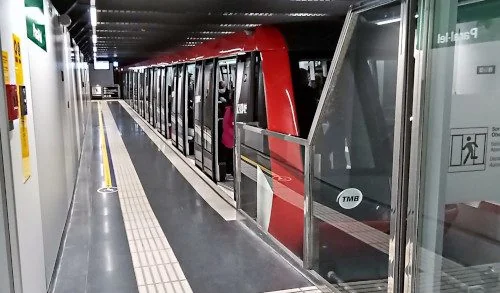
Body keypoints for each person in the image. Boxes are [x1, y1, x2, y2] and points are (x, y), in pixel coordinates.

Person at [221, 95, 235, 176]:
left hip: (235, 138)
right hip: (229, 138)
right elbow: (225, 125)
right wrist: (234, 133)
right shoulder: (229, 110)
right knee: (230, 156)